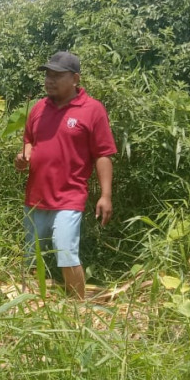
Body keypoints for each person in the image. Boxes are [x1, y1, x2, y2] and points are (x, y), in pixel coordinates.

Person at [15, 51, 116, 299]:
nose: (50, 80)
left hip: (69, 197)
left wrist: (106, 195)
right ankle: (28, 304)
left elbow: (103, 154)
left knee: (65, 251)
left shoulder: (92, 110)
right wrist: (23, 157)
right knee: (31, 254)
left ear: (75, 79)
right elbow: (30, 140)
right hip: (35, 198)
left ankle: (78, 307)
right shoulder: (39, 108)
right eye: (48, 74)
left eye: (57, 75)